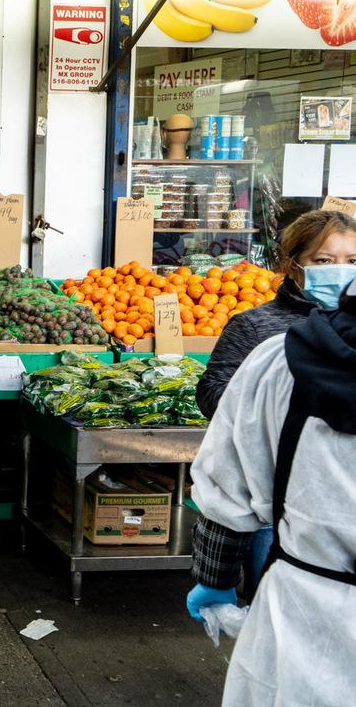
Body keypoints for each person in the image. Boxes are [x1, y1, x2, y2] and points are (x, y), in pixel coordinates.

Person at [187, 275, 356, 705]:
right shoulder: (258, 336)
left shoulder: (277, 363)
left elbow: (228, 489)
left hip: (301, 614)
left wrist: (215, 578)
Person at [192, 210, 356, 599]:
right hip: (278, 504)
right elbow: (214, 394)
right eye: (323, 261)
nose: (342, 272)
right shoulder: (258, 329)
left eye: (353, 261)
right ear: (293, 265)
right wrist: (265, 410)